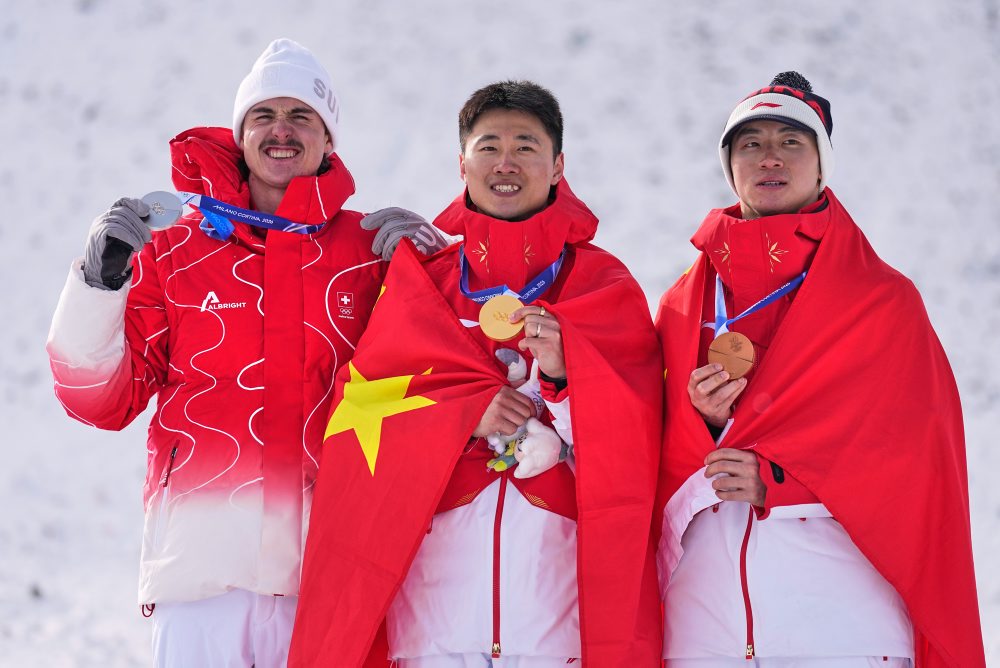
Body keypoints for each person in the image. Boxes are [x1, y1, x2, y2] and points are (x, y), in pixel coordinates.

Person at [45, 38, 447, 668]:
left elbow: (443, 382)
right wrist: (98, 287)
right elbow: (101, 400)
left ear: (328, 139)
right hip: (203, 570)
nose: (281, 131)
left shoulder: (366, 252)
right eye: (263, 115)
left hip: (331, 570)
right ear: (240, 135)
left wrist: (434, 265)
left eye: (301, 116)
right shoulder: (176, 251)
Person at [289, 80, 663, 667]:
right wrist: (461, 412)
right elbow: (357, 417)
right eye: (488, 147)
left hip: (554, 610)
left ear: (558, 164)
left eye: (526, 147)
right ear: (461, 163)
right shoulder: (423, 287)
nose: (506, 163)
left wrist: (566, 379)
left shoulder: (602, 285)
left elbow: (642, 439)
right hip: (437, 613)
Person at [654, 72, 985, 667]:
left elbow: (917, 464)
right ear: (730, 165)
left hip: (839, 624)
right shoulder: (682, 303)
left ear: (821, 163)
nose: (770, 157)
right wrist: (701, 423)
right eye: (750, 143)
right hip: (705, 629)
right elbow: (638, 450)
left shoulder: (881, 301)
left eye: (792, 141)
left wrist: (783, 484)